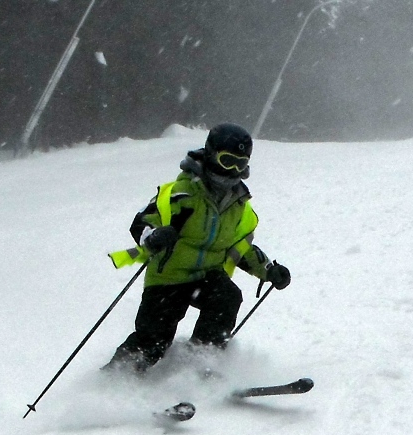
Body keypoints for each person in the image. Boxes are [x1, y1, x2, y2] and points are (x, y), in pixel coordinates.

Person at [103, 123, 291, 372]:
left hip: (206, 276)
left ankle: (198, 365)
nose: (233, 170)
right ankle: (116, 379)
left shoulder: (238, 204)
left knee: (227, 297)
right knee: (153, 341)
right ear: (211, 154)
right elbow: (143, 221)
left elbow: (240, 246)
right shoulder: (181, 193)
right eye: (227, 161)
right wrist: (154, 236)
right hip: (169, 277)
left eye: (241, 163)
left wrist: (268, 269)